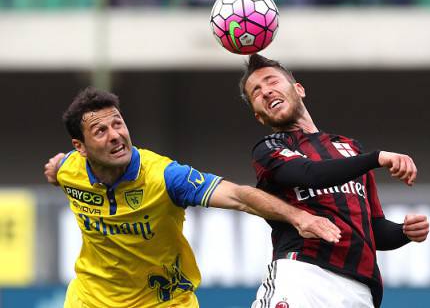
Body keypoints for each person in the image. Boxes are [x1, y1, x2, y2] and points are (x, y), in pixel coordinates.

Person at [44, 87, 351, 308]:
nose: (115, 135)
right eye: (100, 131)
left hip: (164, 302)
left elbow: (238, 196)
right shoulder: (70, 167)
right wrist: (55, 169)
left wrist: (298, 216)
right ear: (80, 147)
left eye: (118, 124)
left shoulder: (165, 177)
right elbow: (59, 168)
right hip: (88, 300)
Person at [239, 54, 430, 308]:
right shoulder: (269, 148)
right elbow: (310, 174)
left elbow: (372, 228)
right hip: (302, 277)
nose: (265, 91)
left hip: (360, 290)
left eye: (271, 81)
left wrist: (404, 232)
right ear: (259, 116)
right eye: (256, 92)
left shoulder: (349, 148)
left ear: (299, 89)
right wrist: (377, 158)